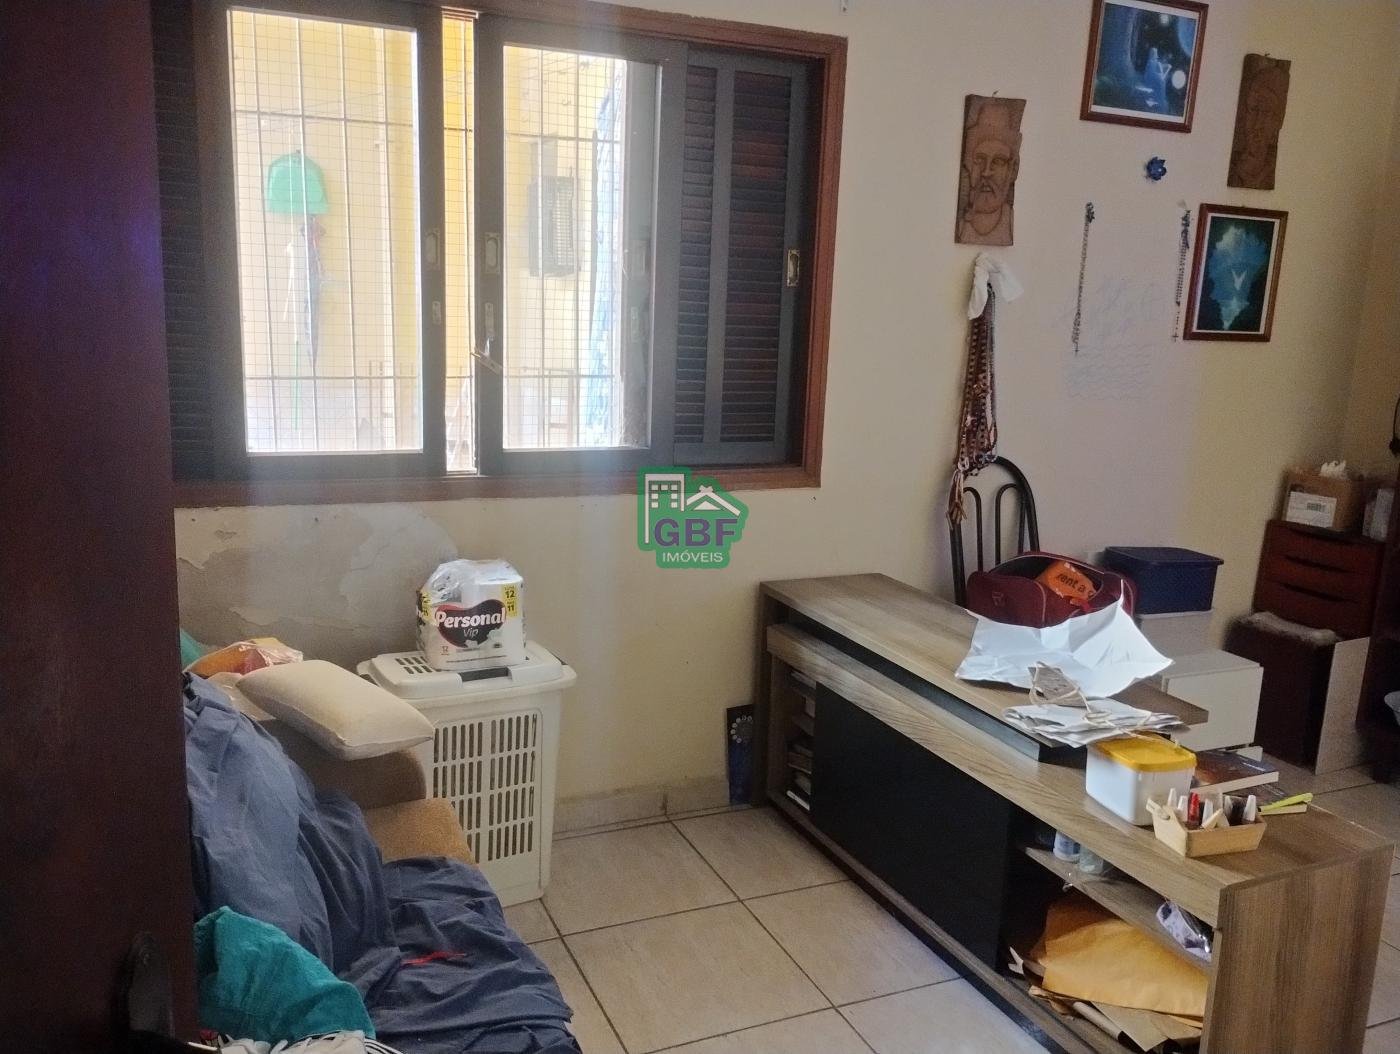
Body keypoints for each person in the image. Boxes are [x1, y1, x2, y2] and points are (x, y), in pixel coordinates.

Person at [957, 99, 1021, 246]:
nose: (986, 172)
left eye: (998, 161)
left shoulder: (1009, 225)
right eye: (979, 159)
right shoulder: (961, 228)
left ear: (1013, 170)